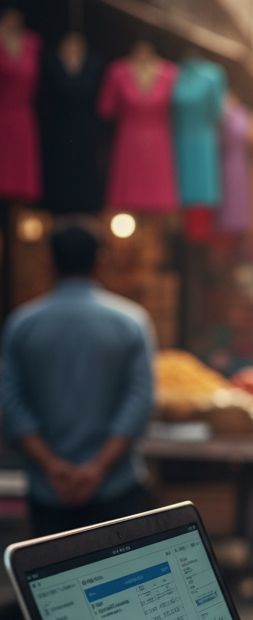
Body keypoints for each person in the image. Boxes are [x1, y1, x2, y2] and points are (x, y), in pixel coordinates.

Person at [1, 222, 154, 538]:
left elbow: (10, 402)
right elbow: (139, 401)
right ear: (101, 261)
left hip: (47, 486)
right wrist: (97, 468)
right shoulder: (130, 322)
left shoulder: (22, 324)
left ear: (49, 264)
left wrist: (52, 466)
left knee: (51, 580)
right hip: (115, 483)